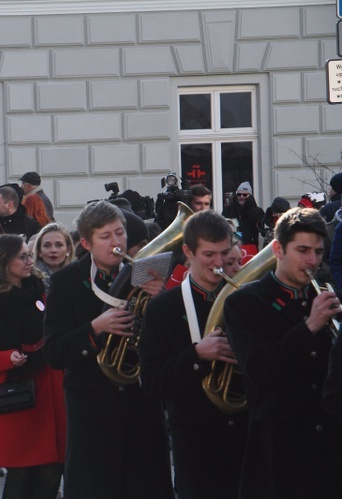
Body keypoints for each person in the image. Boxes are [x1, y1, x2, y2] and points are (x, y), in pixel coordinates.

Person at [42, 201, 173, 499]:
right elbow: (53, 352)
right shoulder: (65, 282)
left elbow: (168, 342)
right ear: (86, 243)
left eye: (120, 233)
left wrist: (161, 301)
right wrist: (95, 328)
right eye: (106, 236)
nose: (117, 242)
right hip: (92, 410)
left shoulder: (144, 275)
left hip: (141, 406)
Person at [224, 207, 342, 498]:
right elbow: (260, 369)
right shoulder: (244, 303)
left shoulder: (328, 296)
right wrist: (310, 326)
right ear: (278, 248)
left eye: (317, 251)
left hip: (330, 449)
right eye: (302, 250)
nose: (312, 261)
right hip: (279, 450)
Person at [139, 210, 248, 499]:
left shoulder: (246, 299)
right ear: (187, 251)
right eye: (209, 254)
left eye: (224, 253)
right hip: (196, 443)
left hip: (246, 437)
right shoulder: (163, 308)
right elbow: (151, 382)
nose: (218, 263)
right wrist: (197, 355)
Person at [0, 234, 65, 498]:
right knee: (21, 476)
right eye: (22, 256)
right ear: (3, 261)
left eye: (29, 255)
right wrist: (7, 358)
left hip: (50, 391)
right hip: (16, 396)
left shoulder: (42, 291)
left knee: (51, 473)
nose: (29, 261)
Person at [32, 223, 74, 290]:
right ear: (39, 251)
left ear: (68, 250)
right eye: (47, 245)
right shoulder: (30, 278)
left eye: (59, 245)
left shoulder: (77, 276)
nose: (53, 250)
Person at [221, 181, 264, 246]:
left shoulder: (257, 212)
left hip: (250, 246)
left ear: (250, 196)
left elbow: (262, 231)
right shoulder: (228, 210)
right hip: (232, 246)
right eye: (239, 194)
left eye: (245, 195)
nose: (241, 197)